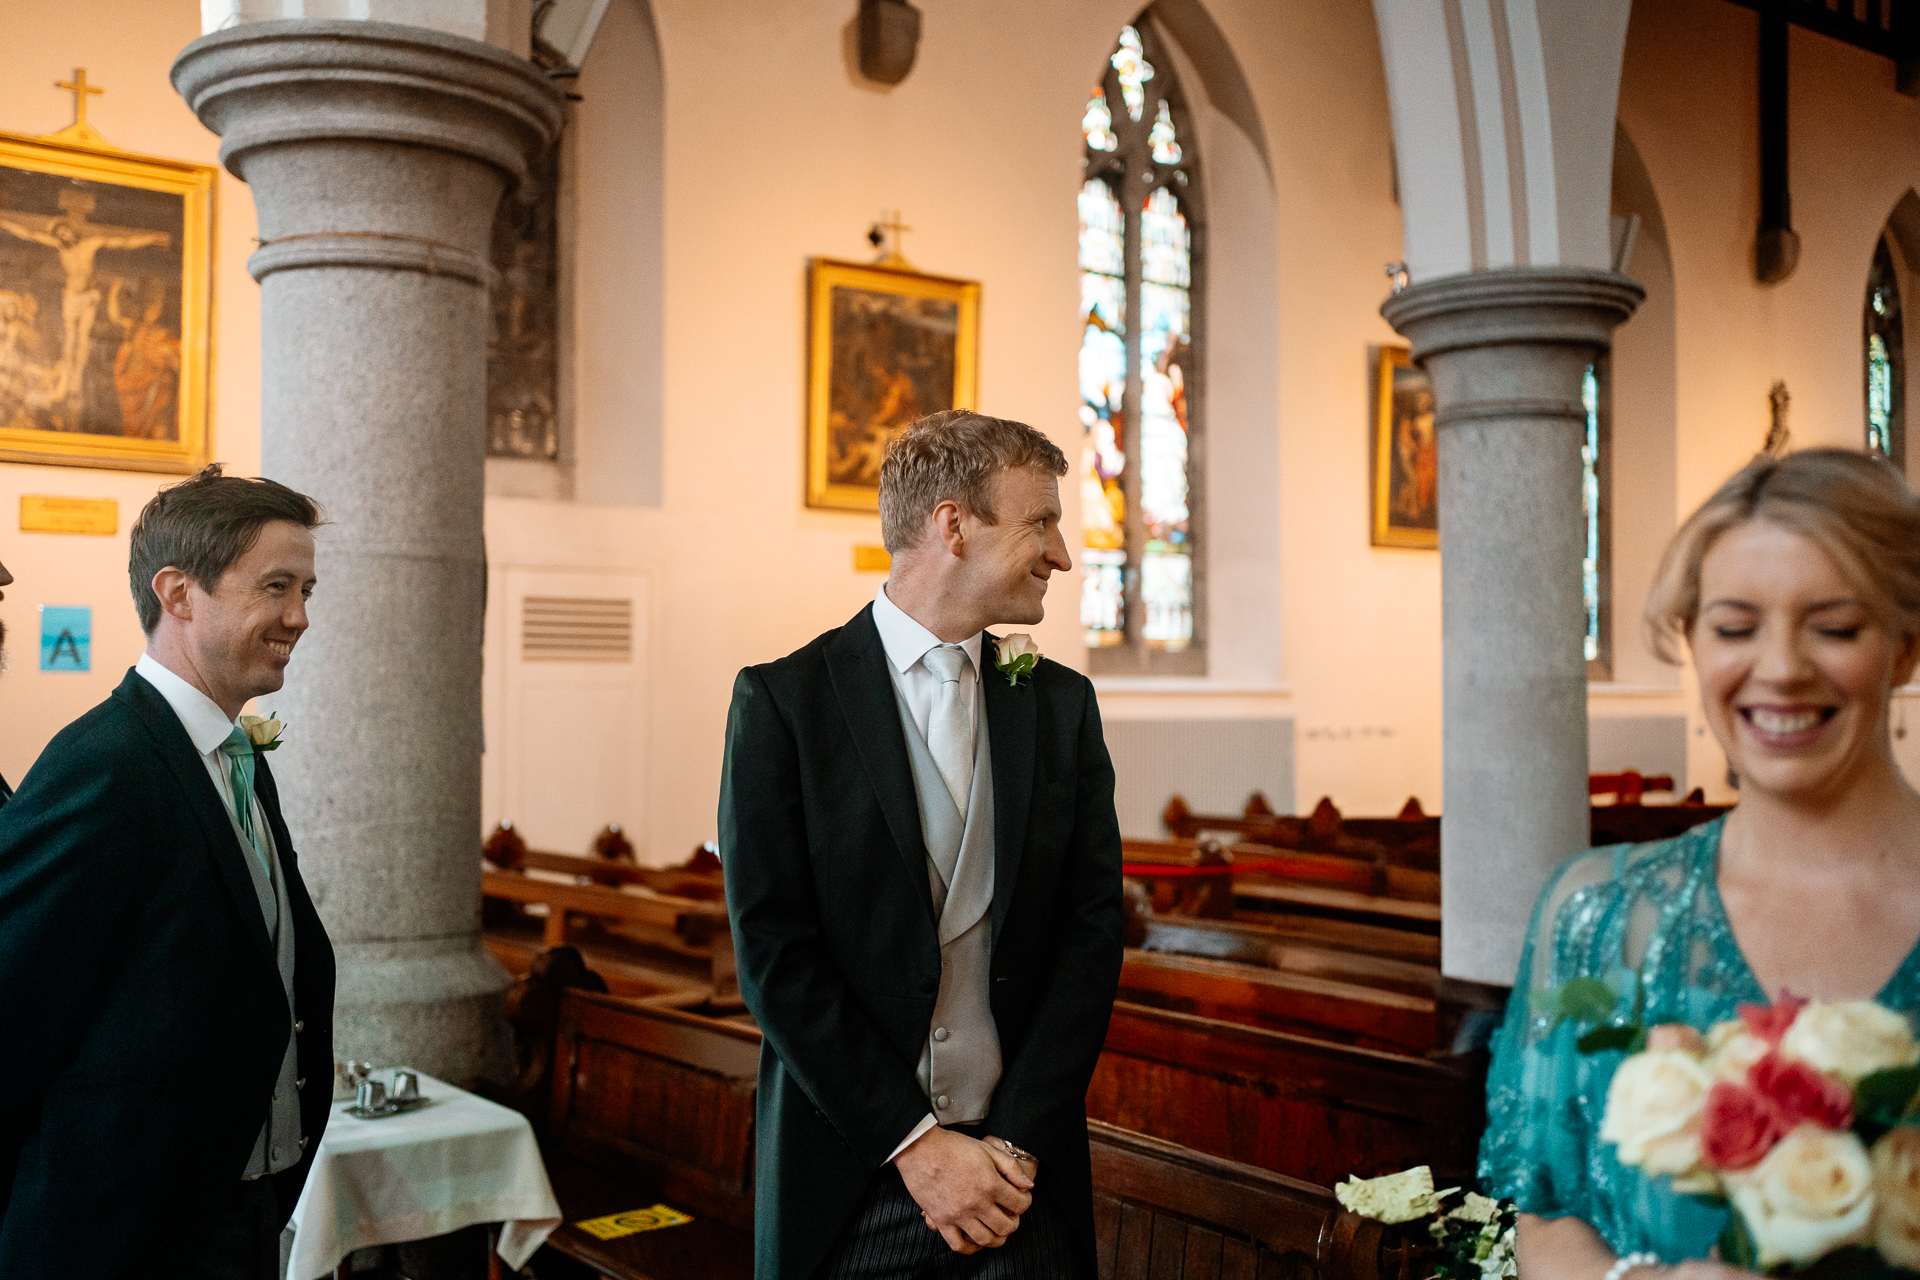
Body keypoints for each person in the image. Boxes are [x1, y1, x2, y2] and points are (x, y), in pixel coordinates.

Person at [1481, 448, 1920, 1280]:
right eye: (1734, 627)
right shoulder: (1599, 920)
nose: (1782, 668)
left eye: (1834, 627)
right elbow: (1548, 1216)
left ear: (1905, 647)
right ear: (1692, 640)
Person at [721, 410, 1125, 1279]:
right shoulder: (785, 706)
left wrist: (1013, 1143)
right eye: (1041, 523)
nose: (1061, 555)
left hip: (1024, 1187)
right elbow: (774, 957)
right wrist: (915, 1147)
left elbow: (1091, 937)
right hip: (853, 1180)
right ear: (952, 524)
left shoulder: (1060, 707)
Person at [0, 465, 335, 1279]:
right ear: (179, 595)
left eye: (307, 591)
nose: (299, 617)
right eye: (277, 587)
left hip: (239, 1217)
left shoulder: (240, 759)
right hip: (125, 1237)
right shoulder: (106, 766)